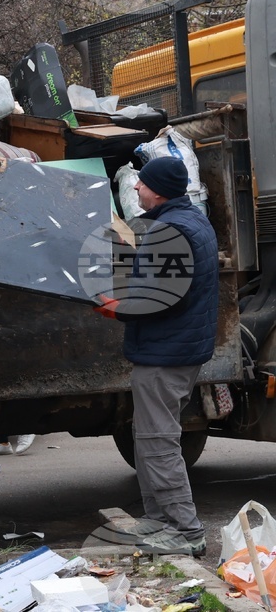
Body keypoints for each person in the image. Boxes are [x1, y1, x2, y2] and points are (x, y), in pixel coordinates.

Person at [94, 156, 218, 557]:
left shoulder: (172, 230)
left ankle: (186, 530)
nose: (134, 188)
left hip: (165, 354)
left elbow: (156, 299)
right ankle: (159, 521)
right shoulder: (189, 222)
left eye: (141, 184)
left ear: (158, 189)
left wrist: (106, 303)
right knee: (149, 440)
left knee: (158, 443)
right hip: (176, 348)